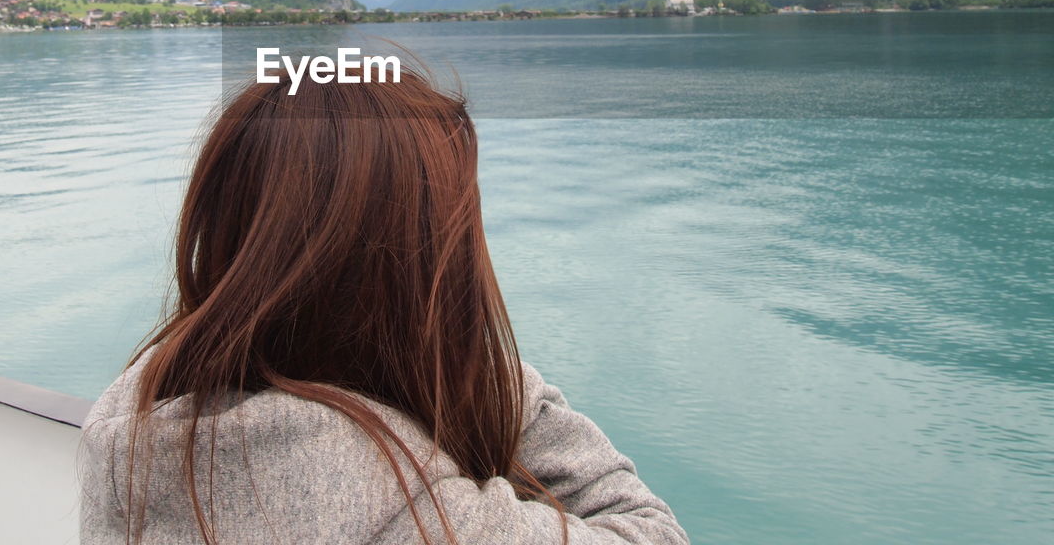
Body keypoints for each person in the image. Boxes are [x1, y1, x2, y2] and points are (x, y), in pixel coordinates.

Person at [78, 58, 688, 545]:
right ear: (405, 273)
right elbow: (648, 531)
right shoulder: (414, 518)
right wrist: (468, 362)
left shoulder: (131, 423)